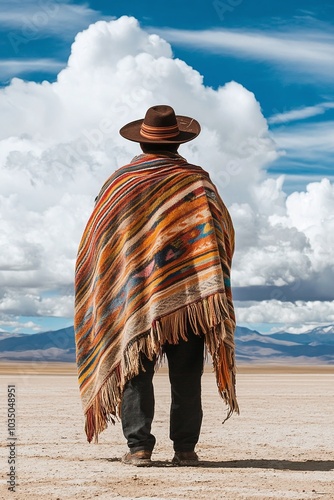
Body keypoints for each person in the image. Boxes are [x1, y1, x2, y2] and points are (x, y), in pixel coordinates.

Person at [74, 105, 239, 467]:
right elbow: (222, 233)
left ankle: (139, 449)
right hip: (192, 297)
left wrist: (119, 278)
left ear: (143, 140)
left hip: (133, 297)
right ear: (178, 142)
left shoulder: (119, 183)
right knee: (186, 377)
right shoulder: (196, 182)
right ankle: (185, 450)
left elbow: (99, 243)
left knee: (134, 371)